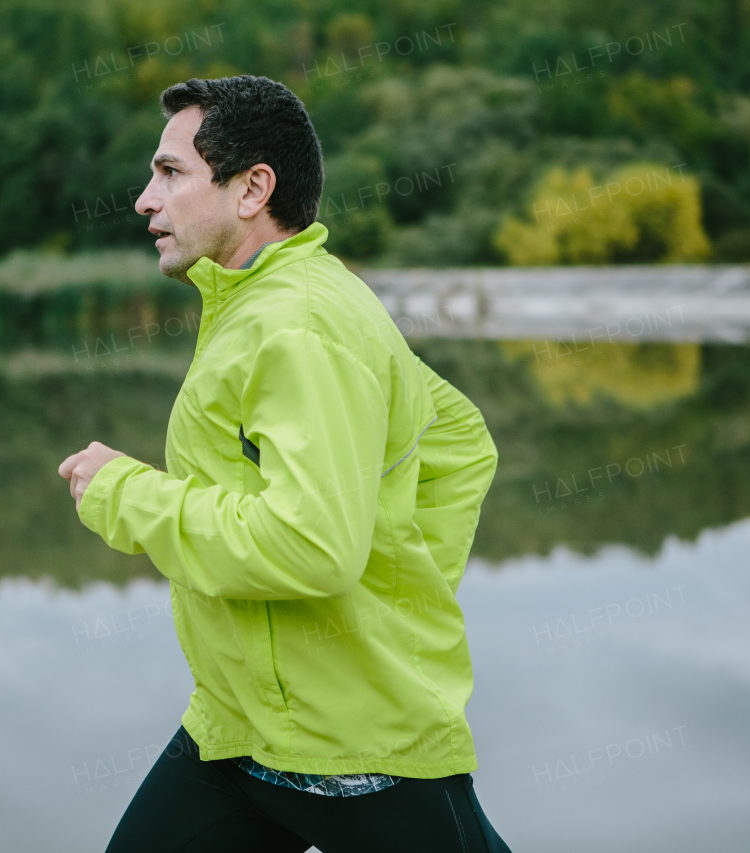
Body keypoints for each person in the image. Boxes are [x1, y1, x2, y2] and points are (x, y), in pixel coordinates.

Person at [58, 75, 509, 853]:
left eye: (170, 173)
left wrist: (126, 493)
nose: (144, 199)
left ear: (251, 188)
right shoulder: (268, 303)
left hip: (352, 747)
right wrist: (387, 594)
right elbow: (457, 443)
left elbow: (313, 544)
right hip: (240, 725)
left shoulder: (298, 322)